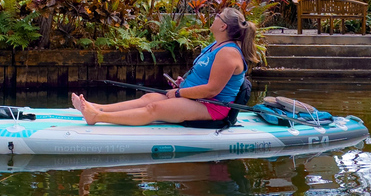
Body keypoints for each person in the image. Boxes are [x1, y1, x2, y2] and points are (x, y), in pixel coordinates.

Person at [71, 7, 258, 126]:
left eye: (218, 15)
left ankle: (97, 117)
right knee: (149, 97)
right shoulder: (215, 45)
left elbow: (211, 90)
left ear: (224, 26)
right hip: (196, 98)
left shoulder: (228, 53)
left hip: (212, 107)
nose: (215, 17)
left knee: (154, 108)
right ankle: (98, 107)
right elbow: (204, 77)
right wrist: (183, 84)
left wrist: (179, 93)